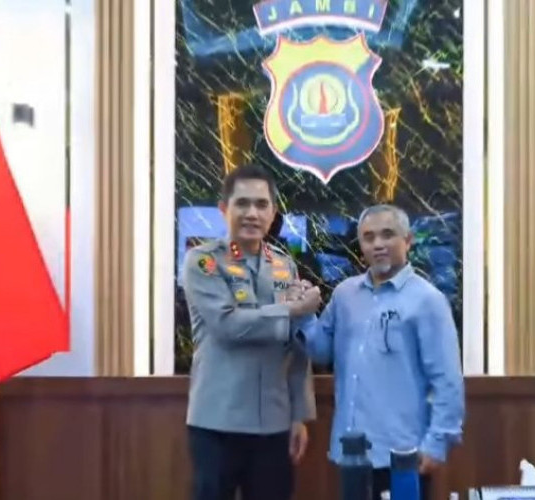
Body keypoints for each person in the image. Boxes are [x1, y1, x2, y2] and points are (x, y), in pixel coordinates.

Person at [292, 204, 465, 500]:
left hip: (403, 455)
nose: (378, 244)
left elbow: (447, 380)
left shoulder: (428, 301)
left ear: (408, 240)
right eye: (368, 237)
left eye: (388, 235)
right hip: (351, 452)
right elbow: (320, 351)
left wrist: (437, 443)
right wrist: (304, 315)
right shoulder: (345, 295)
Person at [182, 163, 322, 500]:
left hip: (274, 423)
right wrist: (291, 309)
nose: (252, 213)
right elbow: (228, 325)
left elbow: (295, 345)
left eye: (261, 205)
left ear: (273, 213)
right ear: (223, 209)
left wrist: (299, 415)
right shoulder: (203, 262)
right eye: (242, 203)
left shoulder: (283, 265)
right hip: (218, 421)